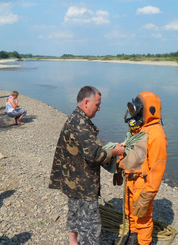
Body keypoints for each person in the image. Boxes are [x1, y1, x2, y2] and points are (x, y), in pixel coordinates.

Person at [49, 86, 125, 245]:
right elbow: (93, 155)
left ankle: (73, 241)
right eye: (97, 105)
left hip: (72, 179)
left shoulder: (75, 117)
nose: (99, 108)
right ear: (86, 102)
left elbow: (85, 149)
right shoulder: (81, 124)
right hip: (83, 184)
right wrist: (115, 152)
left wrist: (108, 148)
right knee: (91, 225)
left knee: (75, 212)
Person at [116, 91, 168, 245]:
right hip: (131, 181)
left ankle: (143, 242)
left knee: (143, 219)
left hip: (142, 185)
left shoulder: (156, 135)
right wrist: (120, 167)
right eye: (132, 109)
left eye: (136, 109)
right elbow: (131, 152)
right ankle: (132, 236)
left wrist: (148, 194)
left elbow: (157, 168)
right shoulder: (138, 129)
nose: (133, 113)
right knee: (130, 213)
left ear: (148, 110)